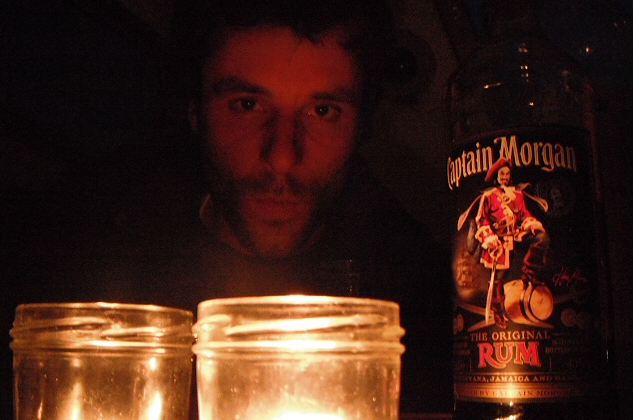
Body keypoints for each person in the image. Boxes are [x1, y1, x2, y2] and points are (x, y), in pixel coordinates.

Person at [146, 0, 452, 416]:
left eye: (322, 111)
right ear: (195, 111)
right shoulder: (109, 270)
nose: (282, 157)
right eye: (247, 104)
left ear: (361, 126)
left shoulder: (423, 299)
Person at [460, 157, 550, 328]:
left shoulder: (517, 194)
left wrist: (530, 223)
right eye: (502, 174)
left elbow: (524, 214)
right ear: (496, 176)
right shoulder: (488, 196)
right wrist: (490, 238)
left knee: (542, 238)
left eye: (507, 174)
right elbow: (482, 220)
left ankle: (529, 274)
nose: (505, 177)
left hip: (516, 233)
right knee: (498, 278)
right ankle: (498, 311)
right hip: (498, 239)